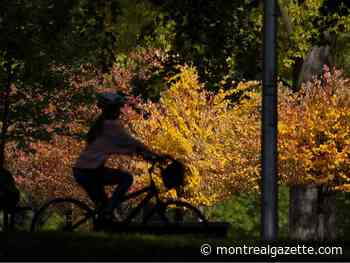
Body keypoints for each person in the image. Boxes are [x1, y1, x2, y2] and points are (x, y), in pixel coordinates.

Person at [73, 92, 163, 222]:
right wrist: (154, 155)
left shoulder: (101, 124)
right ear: (112, 109)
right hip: (89, 172)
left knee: (105, 210)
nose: (120, 111)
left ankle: (107, 218)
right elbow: (131, 142)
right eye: (117, 108)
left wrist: (147, 154)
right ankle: (109, 211)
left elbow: (129, 144)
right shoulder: (111, 126)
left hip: (84, 171)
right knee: (127, 178)